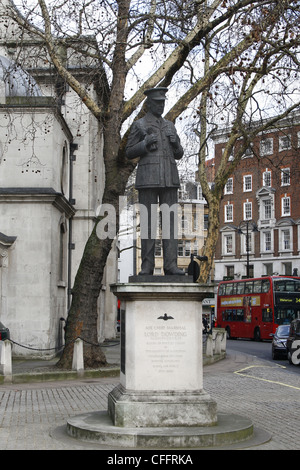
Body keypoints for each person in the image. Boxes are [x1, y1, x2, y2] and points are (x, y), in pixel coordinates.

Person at [126, 87, 185, 275]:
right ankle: (147, 266)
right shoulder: (139, 125)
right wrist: (144, 144)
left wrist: (175, 142)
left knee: (169, 223)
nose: (161, 105)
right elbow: (129, 151)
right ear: (149, 104)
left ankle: (171, 265)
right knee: (149, 223)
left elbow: (179, 154)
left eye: (163, 102)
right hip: (148, 178)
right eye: (158, 103)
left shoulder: (170, 125)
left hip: (169, 178)